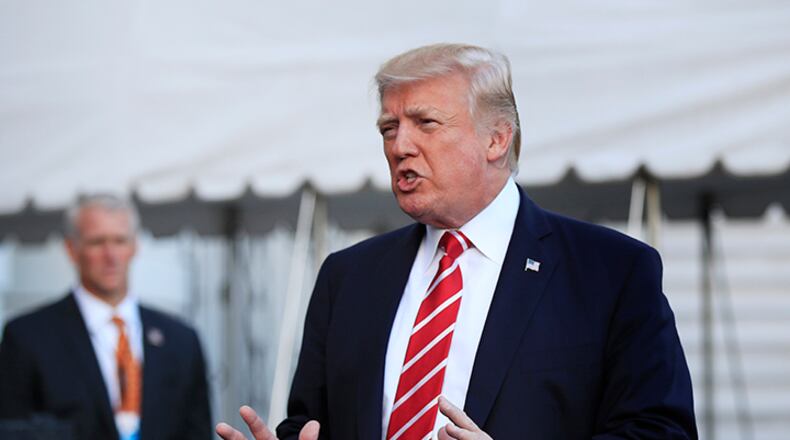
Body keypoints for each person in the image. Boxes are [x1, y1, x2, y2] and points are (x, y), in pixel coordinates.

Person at [217, 43, 697, 440]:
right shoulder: (348, 278)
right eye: (389, 127)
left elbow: (660, 432)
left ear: (497, 140)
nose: (400, 146)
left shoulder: (609, 272)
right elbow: (310, 423)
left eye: (425, 123)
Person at [0, 194, 212, 440]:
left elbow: (197, 431)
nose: (110, 255)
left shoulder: (181, 340)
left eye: (120, 241)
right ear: (72, 249)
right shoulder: (28, 337)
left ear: (135, 246)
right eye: (97, 242)